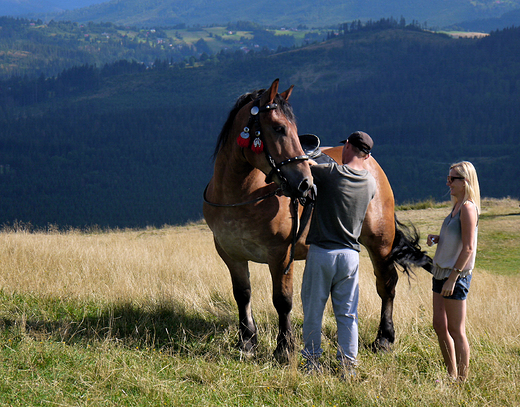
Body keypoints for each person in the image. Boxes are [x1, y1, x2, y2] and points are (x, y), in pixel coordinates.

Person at [301, 131, 376, 377]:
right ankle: (348, 367)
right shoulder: (370, 183)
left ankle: (312, 363)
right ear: (367, 155)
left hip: (323, 252)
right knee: (347, 314)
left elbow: (307, 165)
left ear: (347, 147)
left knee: (314, 311)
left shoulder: (331, 174)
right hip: (351, 257)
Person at [427, 161, 480, 382]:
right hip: (441, 272)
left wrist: (453, 278)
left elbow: (468, 247)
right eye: (448, 178)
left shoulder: (468, 208)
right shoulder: (457, 205)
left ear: (465, 181)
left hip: (454, 276)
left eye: (452, 179)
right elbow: (458, 239)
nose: (447, 183)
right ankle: (451, 375)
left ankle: (461, 381)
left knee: (457, 331)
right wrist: (439, 238)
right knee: (439, 325)